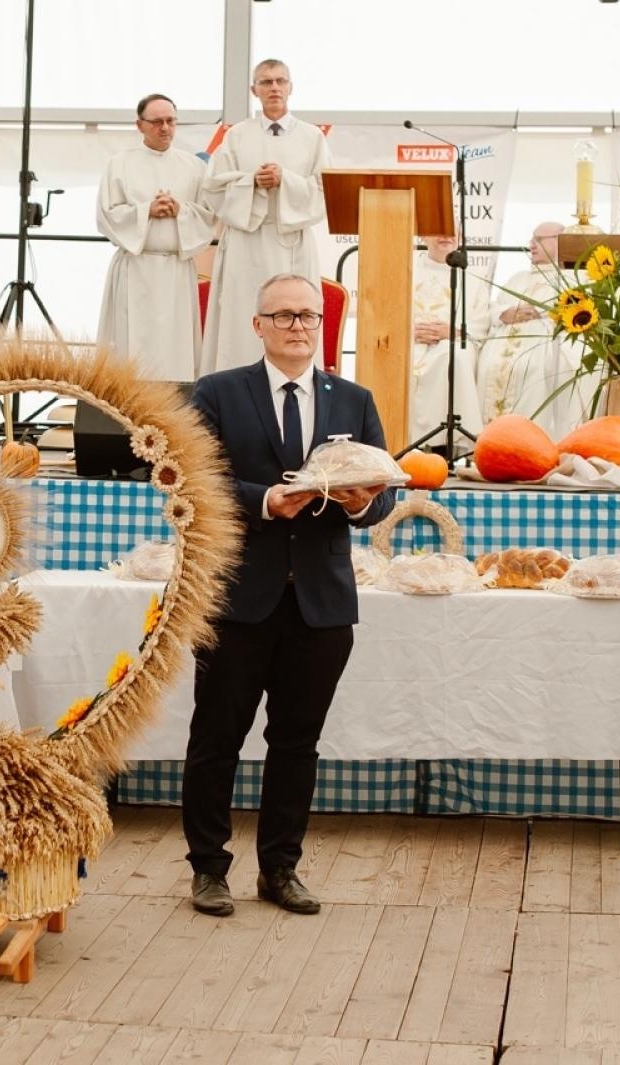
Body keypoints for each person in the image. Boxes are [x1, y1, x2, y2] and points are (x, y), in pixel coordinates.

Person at [183, 273, 395, 918]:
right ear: (258, 326)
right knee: (216, 738)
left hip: (322, 605)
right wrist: (266, 501)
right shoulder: (217, 394)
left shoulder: (353, 399)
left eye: (308, 315)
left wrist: (365, 502)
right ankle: (209, 870)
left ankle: (281, 868)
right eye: (283, 315)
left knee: (297, 743)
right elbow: (194, 484)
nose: (298, 325)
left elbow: (382, 486)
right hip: (239, 597)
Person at [199, 59, 330, 375]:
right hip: (247, 244)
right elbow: (212, 188)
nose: (274, 88)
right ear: (253, 89)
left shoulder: (312, 138)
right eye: (266, 82)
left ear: (291, 87)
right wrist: (251, 182)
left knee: (294, 315)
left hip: (291, 243)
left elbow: (326, 192)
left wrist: (286, 180)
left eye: (280, 81)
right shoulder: (236, 136)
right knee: (242, 323)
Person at [96, 93, 216, 381]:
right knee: (132, 348)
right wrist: (145, 211)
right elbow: (106, 215)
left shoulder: (195, 167)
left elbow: (209, 217)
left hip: (176, 271)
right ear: (140, 125)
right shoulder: (120, 164)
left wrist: (180, 210)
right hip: (136, 268)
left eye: (171, 121)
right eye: (157, 122)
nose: (165, 128)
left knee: (176, 352)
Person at [476, 222, 594, 440]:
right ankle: (490, 442)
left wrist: (541, 314)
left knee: (535, 367)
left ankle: (531, 441)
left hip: (544, 339)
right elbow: (492, 308)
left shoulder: (572, 278)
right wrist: (505, 313)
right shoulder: (517, 278)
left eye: (540, 239)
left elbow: (575, 315)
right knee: (486, 365)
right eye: (532, 239)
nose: (532, 244)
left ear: (561, 241)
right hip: (504, 338)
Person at [408, 234, 486, 451]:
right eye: (438, 230)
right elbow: (386, 310)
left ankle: (447, 445)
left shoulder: (473, 276)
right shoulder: (406, 267)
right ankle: (400, 442)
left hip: (454, 341)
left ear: (460, 236)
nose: (446, 237)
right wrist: (408, 331)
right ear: (423, 236)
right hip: (410, 342)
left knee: (455, 356)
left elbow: (482, 321)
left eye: (452, 231)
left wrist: (454, 331)